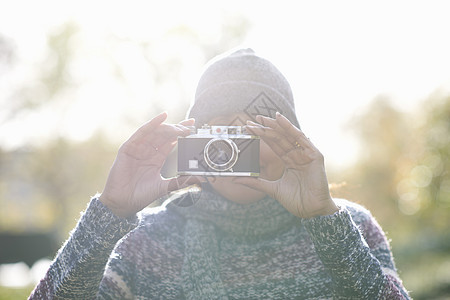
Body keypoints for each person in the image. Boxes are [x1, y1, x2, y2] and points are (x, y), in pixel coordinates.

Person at [29, 49, 410, 299]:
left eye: (258, 128)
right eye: (222, 133)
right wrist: (109, 212)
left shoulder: (349, 227)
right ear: (194, 139)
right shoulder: (147, 240)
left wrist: (325, 222)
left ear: (292, 139)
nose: (238, 148)